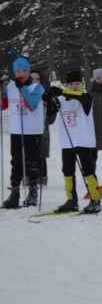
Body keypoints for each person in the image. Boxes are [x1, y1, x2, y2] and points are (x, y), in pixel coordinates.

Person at [44, 69, 102, 213]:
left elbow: (82, 99)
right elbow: (51, 112)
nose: (74, 86)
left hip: (83, 140)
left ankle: (95, 199)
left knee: (88, 170)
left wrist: (62, 92)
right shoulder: (63, 99)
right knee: (67, 170)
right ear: (67, 85)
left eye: (77, 83)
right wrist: (48, 99)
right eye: (71, 84)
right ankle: (71, 199)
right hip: (67, 141)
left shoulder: (85, 96)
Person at [1, 57, 45, 208]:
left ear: (29, 71)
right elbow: (4, 105)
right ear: (14, 73)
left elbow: (32, 105)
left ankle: (33, 192)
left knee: (32, 162)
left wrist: (23, 88)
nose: (21, 73)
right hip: (16, 130)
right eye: (18, 71)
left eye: (24, 71)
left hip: (32, 130)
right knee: (16, 162)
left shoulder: (37, 87)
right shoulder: (11, 86)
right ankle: (14, 193)